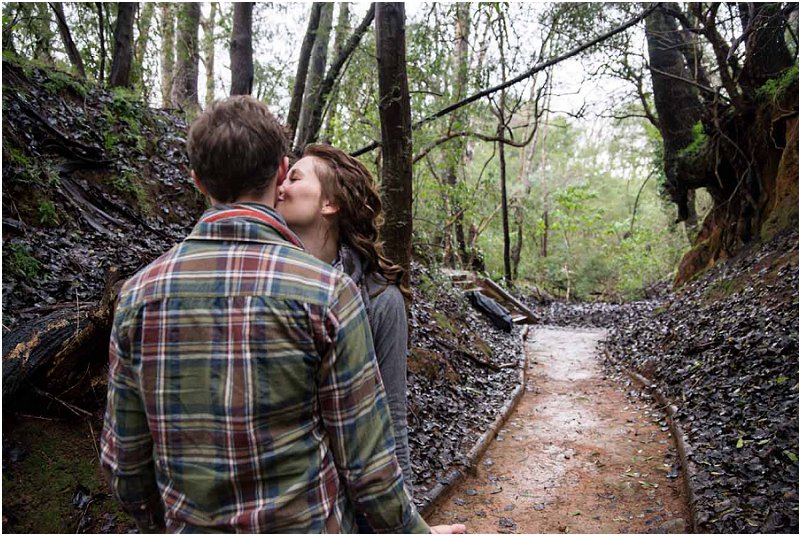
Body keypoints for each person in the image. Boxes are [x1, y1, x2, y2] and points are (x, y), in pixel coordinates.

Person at [99, 95, 464, 534]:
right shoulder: (328, 295)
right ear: (278, 173)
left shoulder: (137, 296)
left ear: (197, 181)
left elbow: (125, 468)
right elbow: (369, 468)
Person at [275, 144, 415, 495]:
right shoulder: (264, 281)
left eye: (294, 178)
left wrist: (409, 517)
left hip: (350, 494)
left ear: (329, 203)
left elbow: (392, 415)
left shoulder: (381, 300)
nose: (281, 187)